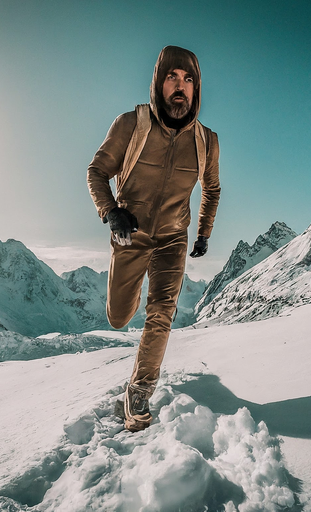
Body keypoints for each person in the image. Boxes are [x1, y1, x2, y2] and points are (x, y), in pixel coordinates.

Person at [87, 45, 221, 432]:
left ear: (196, 89)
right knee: (118, 317)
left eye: (188, 80)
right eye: (172, 78)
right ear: (159, 83)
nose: (180, 87)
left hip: (172, 239)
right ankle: (132, 362)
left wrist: (203, 232)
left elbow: (212, 189)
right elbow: (96, 171)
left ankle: (139, 390)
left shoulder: (207, 141)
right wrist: (111, 212)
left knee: (161, 312)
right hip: (129, 235)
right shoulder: (132, 124)